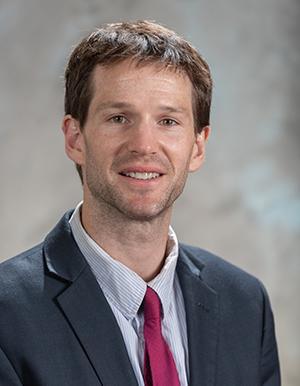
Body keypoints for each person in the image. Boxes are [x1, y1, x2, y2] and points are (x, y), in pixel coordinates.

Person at [0, 21, 280, 386]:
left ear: (198, 146)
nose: (144, 144)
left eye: (168, 121)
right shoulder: (7, 317)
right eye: (119, 118)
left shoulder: (245, 305)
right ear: (75, 138)